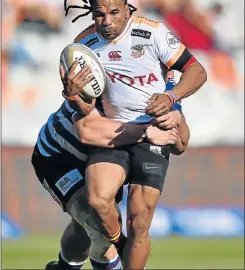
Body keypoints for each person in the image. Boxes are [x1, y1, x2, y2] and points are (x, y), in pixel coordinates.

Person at [54, 0, 206, 269]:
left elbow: (196, 71)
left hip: (153, 132)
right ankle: (120, 252)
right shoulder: (82, 48)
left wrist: (170, 96)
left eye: (113, 12)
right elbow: (83, 109)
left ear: (127, 9)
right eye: (99, 14)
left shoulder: (152, 34)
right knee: (98, 201)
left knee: (138, 220)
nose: (106, 20)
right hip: (114, 133)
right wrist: (72, 93)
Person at [31, 62, 180, 269]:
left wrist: (176, 122)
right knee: (99, 227)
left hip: (99, 157)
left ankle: (62, 267)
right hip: (57, 156)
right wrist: (146, 132)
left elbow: (180, 142)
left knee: (85, 228)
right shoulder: (104, 83)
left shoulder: (160, 93)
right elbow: (89, 131)